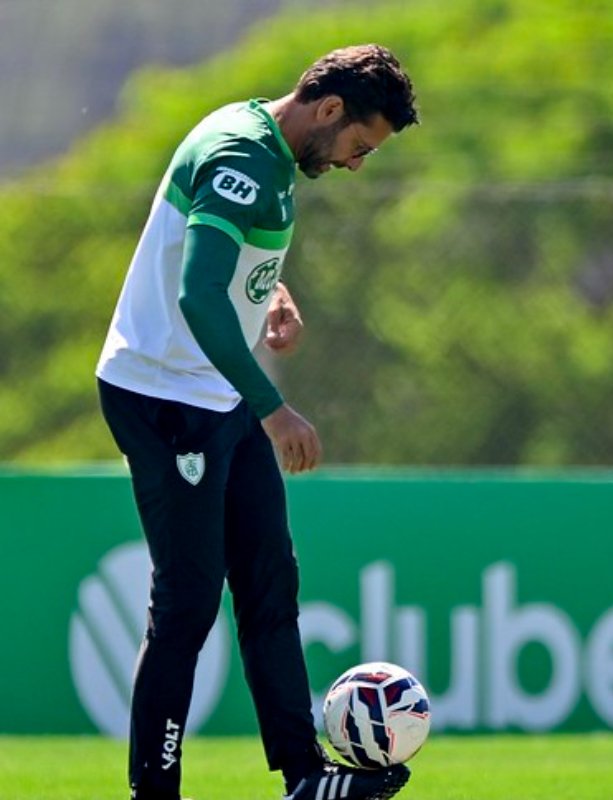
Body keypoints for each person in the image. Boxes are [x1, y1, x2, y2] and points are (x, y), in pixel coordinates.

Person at [95, 44, 418, 800]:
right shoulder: (241, 155)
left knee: (270, 582)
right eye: (359, 146)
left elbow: (227, 267)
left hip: (215, 394)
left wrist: (267, 292)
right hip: (165, 397)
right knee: (189, 602)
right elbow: (199, 296)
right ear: (330, 109)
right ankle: (156, 791)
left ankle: (305, 778)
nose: (357, 164)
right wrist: (274, 409)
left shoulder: (268, 145)